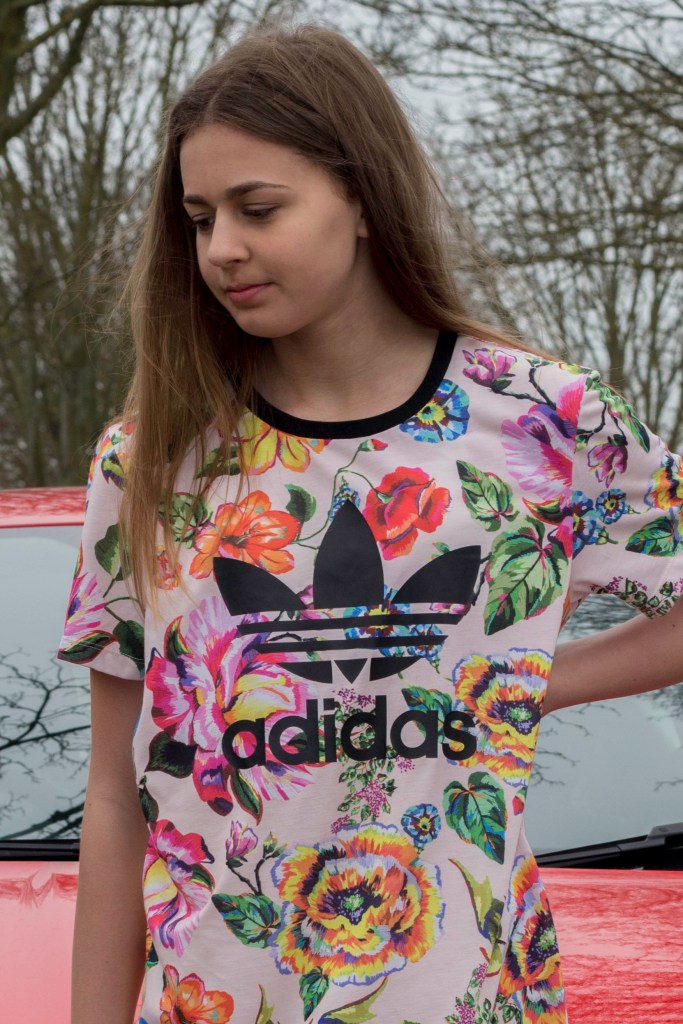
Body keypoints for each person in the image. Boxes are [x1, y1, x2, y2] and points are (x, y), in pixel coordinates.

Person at [58, 23, 683, 1024]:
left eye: (258, 208)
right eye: (199, 218)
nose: (221, 248)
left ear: (359, 195)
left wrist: (523, 681)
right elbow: (110, 791)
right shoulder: (152, 460)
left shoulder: (544, 422)